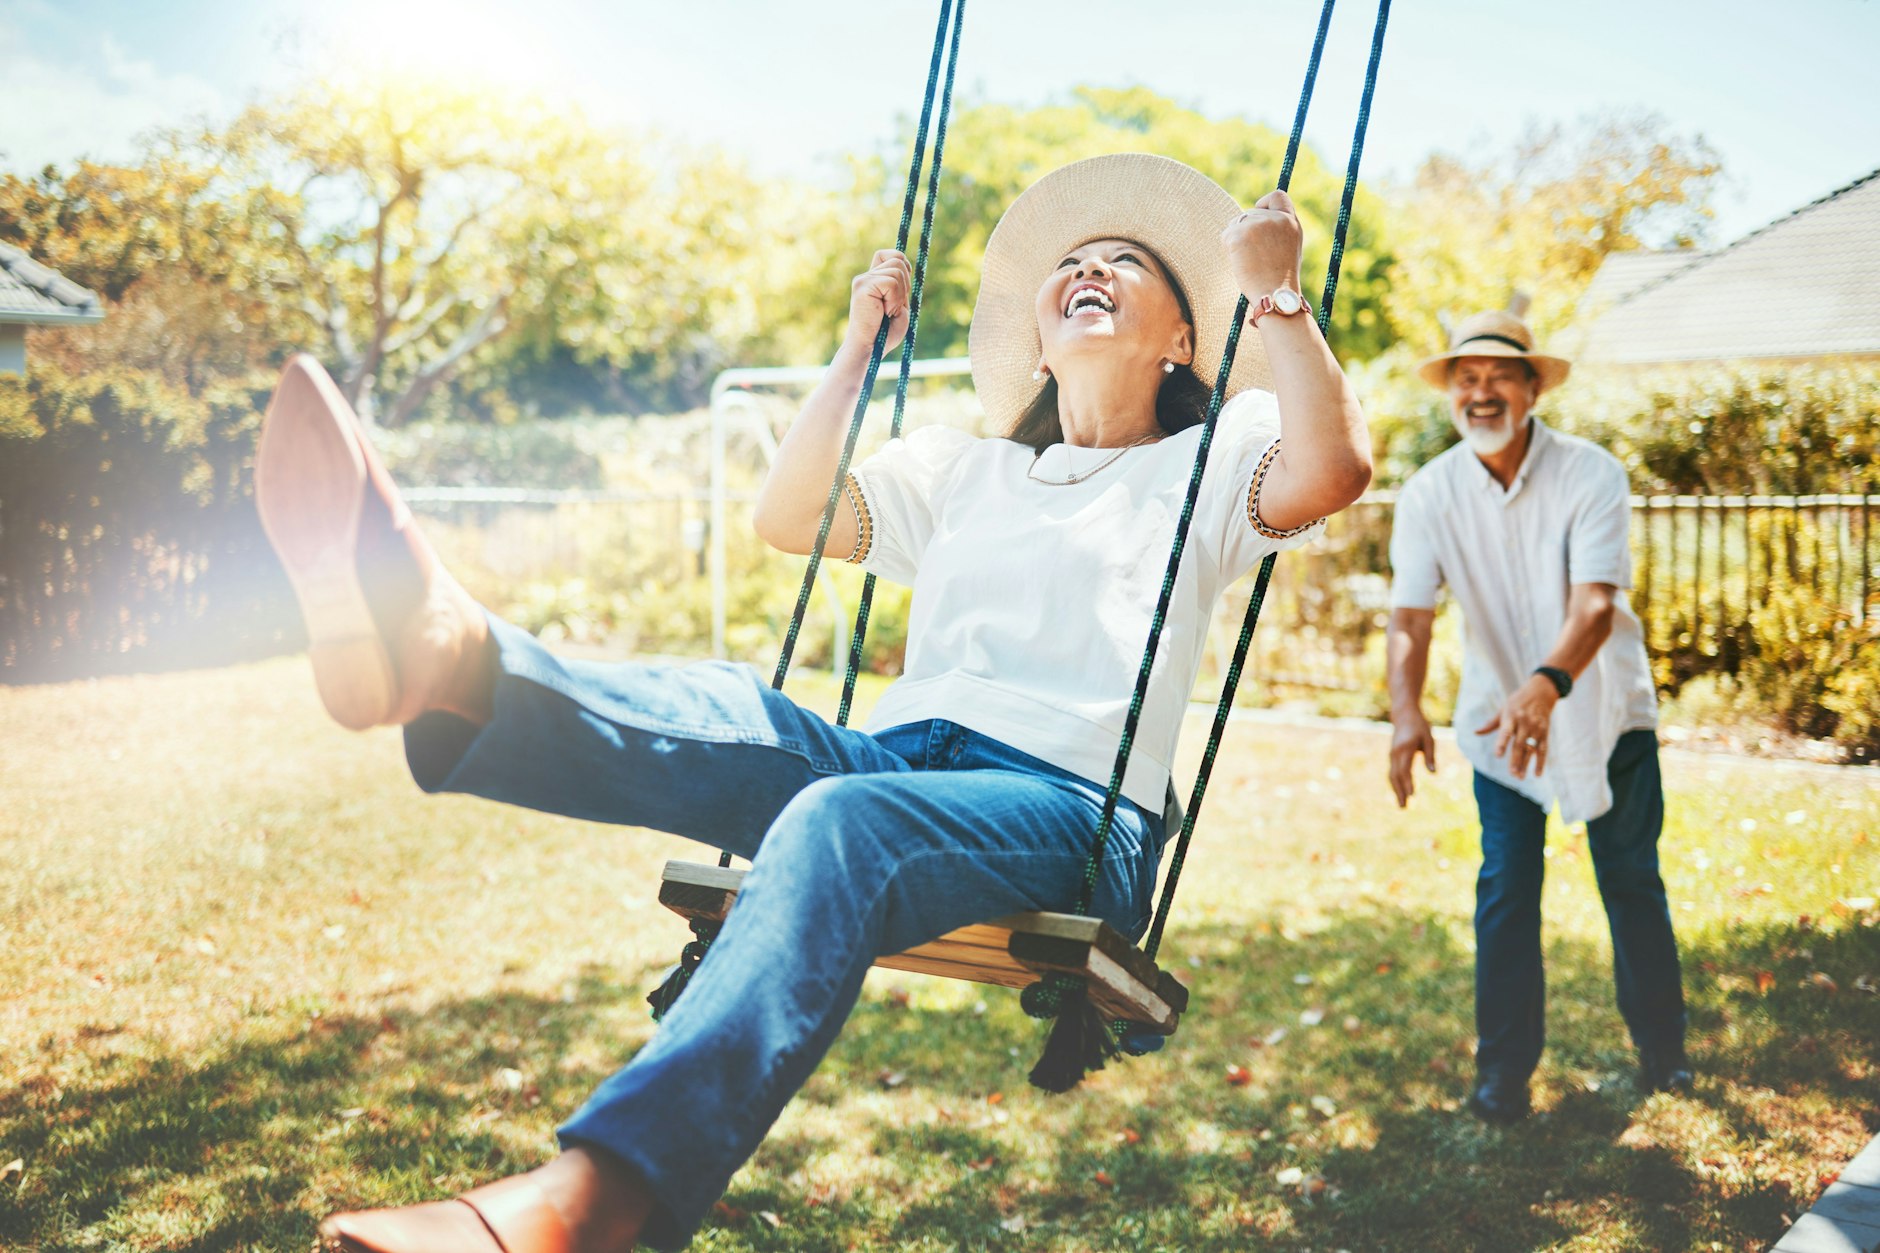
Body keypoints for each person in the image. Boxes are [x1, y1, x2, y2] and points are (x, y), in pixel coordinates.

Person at [263, 153, 1371, 1253]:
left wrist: (1273, 292)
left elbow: (1331, 468)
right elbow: (789, 516)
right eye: (1071, 261)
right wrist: (854, 353)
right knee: (741, 709)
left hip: (1067, 810)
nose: (1089, 267)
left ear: (1183, 338)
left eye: (1125, 262)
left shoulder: (1208, 458)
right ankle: (454, 664)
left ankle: (591, 1196)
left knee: (842, 816)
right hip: (893, 762)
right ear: (1034, 338)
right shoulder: (959, 468)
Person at [1383, 309, 1691, 1126]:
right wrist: (1404, 711)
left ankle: (1665, 1050)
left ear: (1530, 388)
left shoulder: (1592, 474)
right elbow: (1410, 617)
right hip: (1498, 723)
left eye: (1497, 377)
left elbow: (1596, 603)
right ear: (1452, 394)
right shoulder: (1429, 493)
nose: (1479, 393)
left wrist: (1547, 682)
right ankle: (1502, 1073)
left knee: (1630, 880)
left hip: (1601, 708)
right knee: (1506, 890)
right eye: (1465, 379)